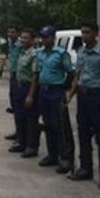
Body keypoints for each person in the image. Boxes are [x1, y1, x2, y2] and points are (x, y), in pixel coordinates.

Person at [67, 22, 100, 190]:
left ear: (96, 33)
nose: (84, 35)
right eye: (82, 32)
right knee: (83, 133)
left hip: (98, 97)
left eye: (87, 32)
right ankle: (85, 169)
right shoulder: (81, 52)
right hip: (83, 96)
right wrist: (71, 95)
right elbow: (77, 75)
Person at [33, 26, 74, 174]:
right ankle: (52, 155)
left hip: (57, 92)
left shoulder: (61, 54)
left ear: (53, 38)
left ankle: (65, 158)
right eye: (42, 37)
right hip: (44, 92)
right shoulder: (40, 54)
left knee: (60, 126)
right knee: (48, 124)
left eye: (47, 37)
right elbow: (37, 73)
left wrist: (65, 86)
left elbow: (71, 72)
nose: (44, 40)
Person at [11, 28, 40, 158]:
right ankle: (21, 142)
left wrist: (30, 95)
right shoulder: (22, 52)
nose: (23, 40)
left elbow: (35, 76)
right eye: (22, 37)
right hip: (19, 86)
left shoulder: (34, 54)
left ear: (33, 40)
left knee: (31, 119)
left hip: (28, 88)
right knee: (20, 116)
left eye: (26, 38)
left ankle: (31, 146)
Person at [4, 26, 21, 141]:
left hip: (20, 77)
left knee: (20, 107)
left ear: (18, 33)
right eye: (8, 31)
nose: (10, 34)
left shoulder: (20, 45)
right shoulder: (11, 45)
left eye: (13, 32)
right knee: (14, 106)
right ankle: (18, 131)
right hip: (13, 76)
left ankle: (22, 134)